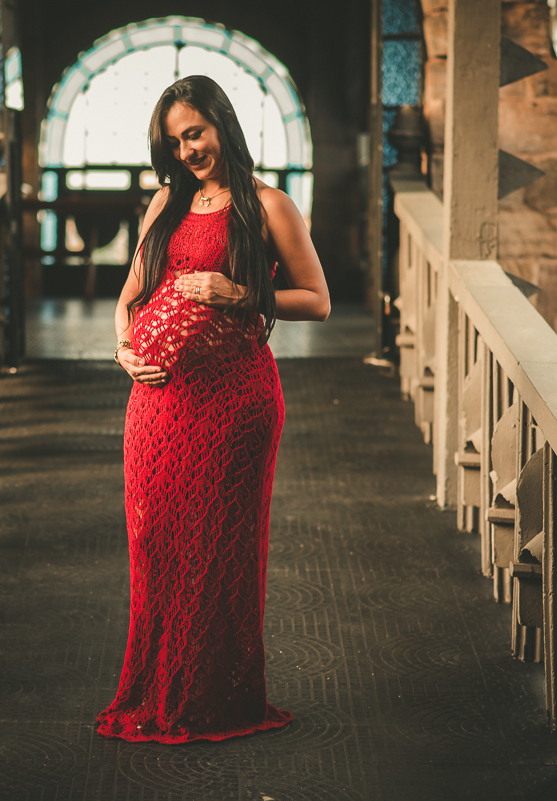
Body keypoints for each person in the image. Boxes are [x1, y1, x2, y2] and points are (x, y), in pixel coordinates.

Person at [95, 75, 330, 744]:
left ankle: (213, 697)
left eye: (195, 132)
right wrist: (120, 345)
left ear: (222, 123)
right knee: (155, 541)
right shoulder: (167, 202)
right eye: (174, 140)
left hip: (234, 407)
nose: (188, 148)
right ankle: (157, 686)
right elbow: (130, 295)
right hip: (156, 405)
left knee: (216, 548)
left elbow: (318, 299)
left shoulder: (267, 206)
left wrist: (243, 292)